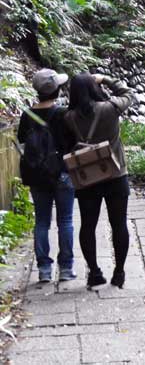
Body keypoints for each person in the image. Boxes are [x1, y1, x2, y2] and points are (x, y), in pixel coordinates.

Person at [65, 73, 134, 288]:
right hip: (115, 174)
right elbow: (128, 94)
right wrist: (105, 79)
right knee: (119, 223)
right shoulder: (109, 109)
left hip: (87, 177)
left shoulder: (69, 117)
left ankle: (94, 272)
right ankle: (119, 272)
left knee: (87, 225)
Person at [17, 69, 76, 283]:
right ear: (57, 90)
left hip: (37, 174)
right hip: (62, 172)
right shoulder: (62, 113)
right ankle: (66, 268)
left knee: (42, 221)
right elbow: (72, 140)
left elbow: (22, 138)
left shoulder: (27, 115)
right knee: (66, 220)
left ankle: (43, 269)